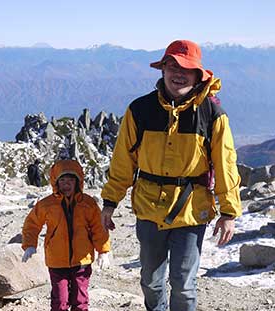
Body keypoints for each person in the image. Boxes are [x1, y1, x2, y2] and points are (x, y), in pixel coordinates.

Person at [100, 40, 242, 311]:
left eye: (186, 69)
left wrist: (228, 213)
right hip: (149, 208)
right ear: (162, 69)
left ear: (198, 75)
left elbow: (226, 165)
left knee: (184, 284)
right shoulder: (139, 110)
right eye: (171, 66)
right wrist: (110, 202)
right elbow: (123, 162)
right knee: (151, 282)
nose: (178, 73)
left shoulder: (212, 115)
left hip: (191, 210)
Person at [22, 159, 111, 311]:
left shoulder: (88, 203)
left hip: (82, 260)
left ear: (78, 182)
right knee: (60, 301)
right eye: (62, 180)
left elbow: (98, 227)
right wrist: (30, 245)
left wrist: (103, 251)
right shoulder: (46, 204)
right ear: (55, 182)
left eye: (71, 180)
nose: (66, 184)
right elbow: (32, 224)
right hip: (56, 261)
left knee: (80, 300)